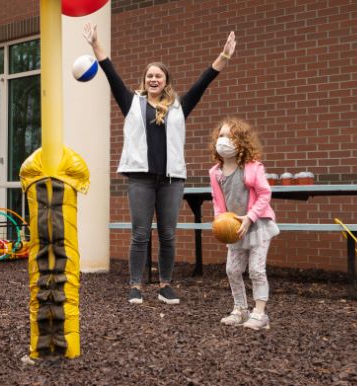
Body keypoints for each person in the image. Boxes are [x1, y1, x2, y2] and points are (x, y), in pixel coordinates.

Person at [83, 23, 236, 305]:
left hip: (171, 179)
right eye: (150, 75)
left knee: (168, 234)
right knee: (140, 233)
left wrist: (224, 56)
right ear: (145, 80)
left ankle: (166, 285)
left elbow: (204, 81)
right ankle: (135, 286)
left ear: (166, 81)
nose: (154, 79)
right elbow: (110, 72)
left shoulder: (180, 106)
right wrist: (95, 44)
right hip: (140, 178)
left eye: (159, 75)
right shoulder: (131, 102)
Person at [208, 117, 279, 330]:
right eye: (221, 136)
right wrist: (220, 223)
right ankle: (240, 309)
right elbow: (217, 202)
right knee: (232, 270)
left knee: (256, 270)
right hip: (235, 229)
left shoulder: (252, 167)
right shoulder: (216, 173)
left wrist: (250, 217)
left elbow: (265, 194)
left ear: (241, 142)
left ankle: (260, 313)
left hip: (256, 225)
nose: (224, 141)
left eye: (230, 137)